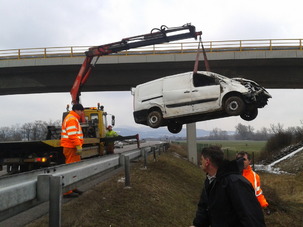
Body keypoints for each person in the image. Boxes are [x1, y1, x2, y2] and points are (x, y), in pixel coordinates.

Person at [191, 146, 265, 227]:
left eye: (202, 159)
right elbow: (204, 207)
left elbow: (250, 216)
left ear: (207, 162)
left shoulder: (235, 182)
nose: (200, 162)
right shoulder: (210, 180)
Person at [61, 103, 85, 197]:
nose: (82, 113)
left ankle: (73, 187)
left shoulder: (72, 118)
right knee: (70, 168)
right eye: (81, 111)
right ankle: (67, 191)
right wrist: (78, 145)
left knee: (74, 168)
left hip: (71, 147)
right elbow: (72, 134)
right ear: (77, 110)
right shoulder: (72, 119)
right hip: (71, 147)